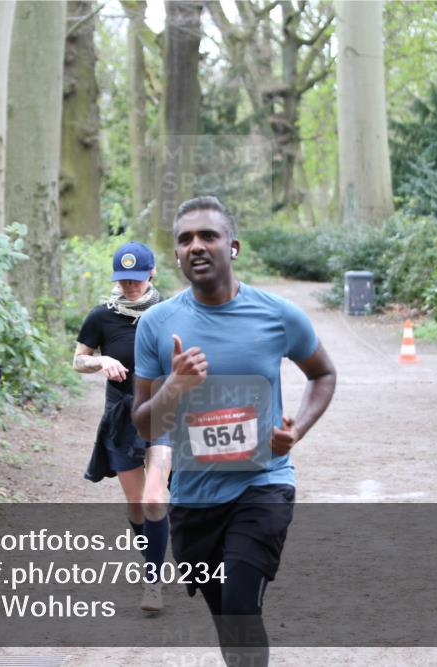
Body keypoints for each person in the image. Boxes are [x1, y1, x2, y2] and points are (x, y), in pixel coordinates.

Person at [132, 196, 336, 666]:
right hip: (195, 498)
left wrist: (297, 430)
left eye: (208, 236)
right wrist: (175, 388)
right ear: (177, 254)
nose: (196, 247)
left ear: (234, 246)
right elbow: (144, 421)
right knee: (227, 616)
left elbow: (323, 373)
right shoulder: (157, 324)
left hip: (262, 485)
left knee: (242, 606)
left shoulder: (277, 314)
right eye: (185, 240)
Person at [73, 241, 172, 614]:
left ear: (151, 273)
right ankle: (154, 551)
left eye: (136, 279)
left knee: (153, 497)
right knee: (136, 503)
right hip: (121, 415)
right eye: (123, 281)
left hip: (163, 410)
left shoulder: (169, 312)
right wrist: (102, 362)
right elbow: (78, 360)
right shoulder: (101, 316)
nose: (130, 287)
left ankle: (153, 581)